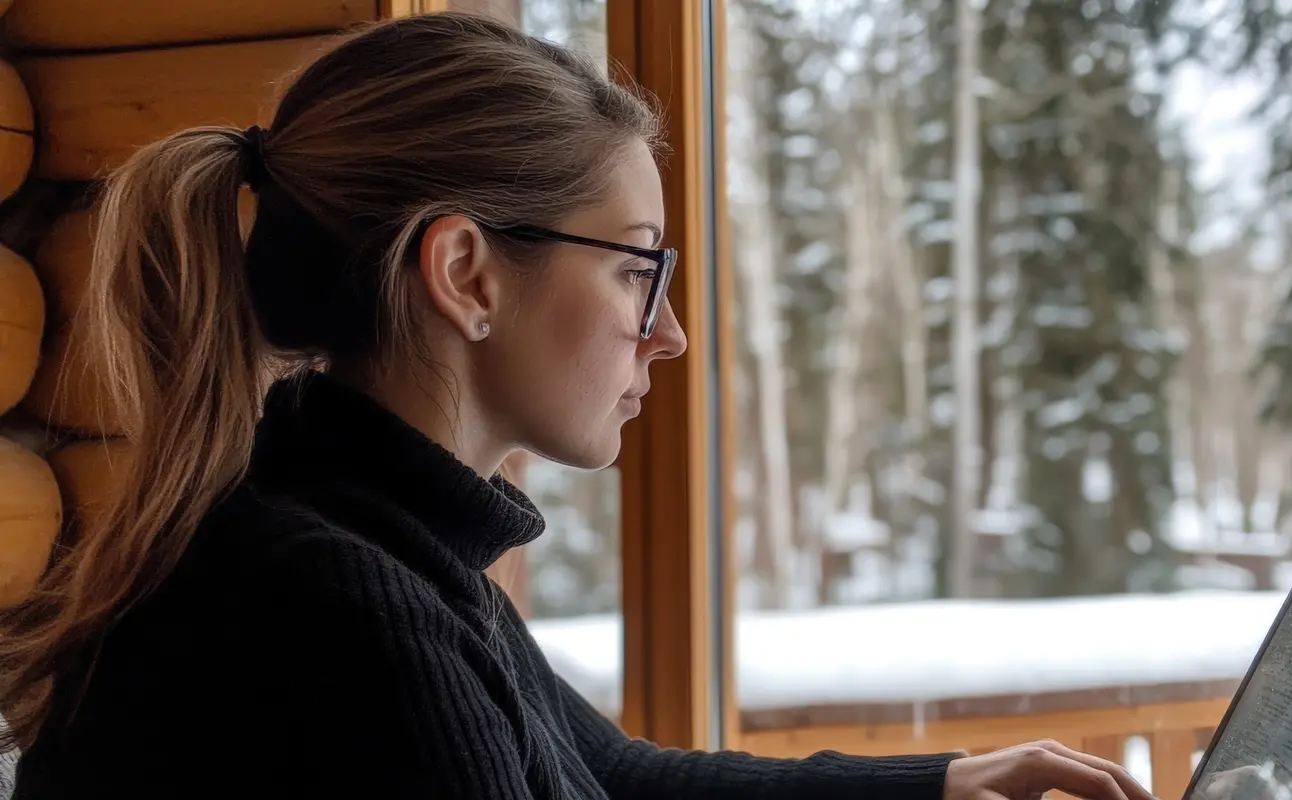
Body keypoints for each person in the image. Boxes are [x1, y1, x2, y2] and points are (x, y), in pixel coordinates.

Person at [0, 13, 1157, 800]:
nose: (669, 331)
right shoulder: (333, 595)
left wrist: (946, 780)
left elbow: (617, 774)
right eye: (634, 268)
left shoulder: (365, 534)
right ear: (465, 274)